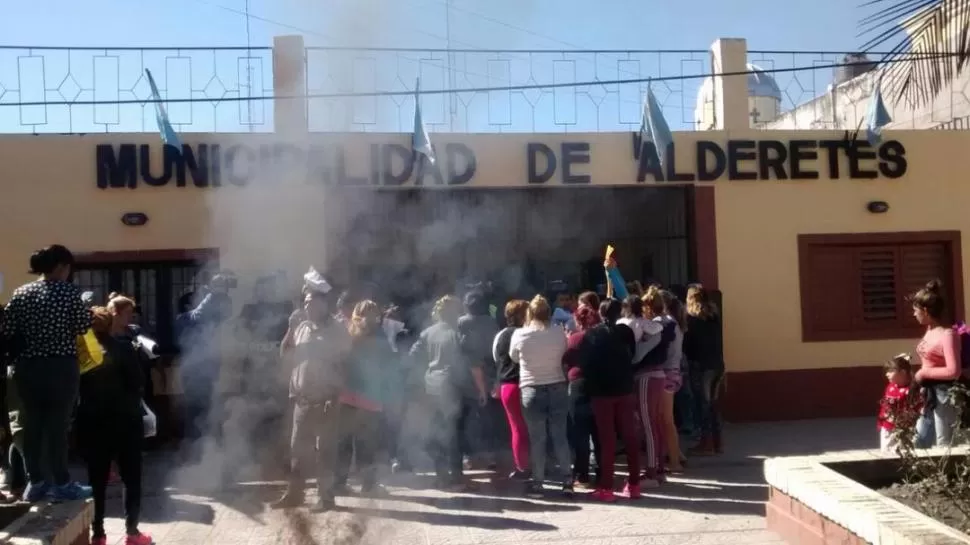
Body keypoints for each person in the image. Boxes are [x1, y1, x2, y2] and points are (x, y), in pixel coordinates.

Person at [1, 245, 92, 502]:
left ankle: (36, 481)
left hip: (26, 369)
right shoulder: (68, 292)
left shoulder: (21, 293)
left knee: (32, 426)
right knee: (57, 427)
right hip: (59, 367)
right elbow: (83, 326)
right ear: (61, 267)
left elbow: (8, 330)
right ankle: (62, 483)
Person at [272, 282, 351, 511]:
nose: (307, 307)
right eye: (305, 303)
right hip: (302, 400)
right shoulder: (302, 327)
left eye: (312, 303)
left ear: (324, 304)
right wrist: (290, 328)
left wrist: (334, 395)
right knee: (298, 451)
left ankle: (325, 498)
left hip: (326, 400)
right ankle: (294, 494)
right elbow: (285, 353)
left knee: (325, 453)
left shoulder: (337, 330)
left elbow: (345, 364)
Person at [78, 300, 152, 545]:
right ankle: (132, 533)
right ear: (110, 325)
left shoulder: (80, 354)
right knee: (131, 479)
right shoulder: (124, 349)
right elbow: (138, 382)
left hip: (92, 423)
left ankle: (98, 535)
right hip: (125, 423)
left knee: (96, 481)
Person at [410, 295, 488, 490]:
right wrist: (481, 390)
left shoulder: (427, 333)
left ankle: (441, 474)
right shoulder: (460, 333)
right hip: (454, 388)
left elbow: (413, 357)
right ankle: (455, 474)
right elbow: (474, 365)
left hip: (432, 387)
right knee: (454, 432)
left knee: (437, 431)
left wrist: (424, 374)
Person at [578, 299, 642, 501]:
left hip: (602, 392)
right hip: (624, 387)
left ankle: (606, 487)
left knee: (607, 439)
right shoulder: (626, 332)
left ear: (600, 313)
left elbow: (585, 364)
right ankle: (634, 484)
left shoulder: (592, 335)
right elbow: (632, 354)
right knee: (629, 435)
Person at [509, 295, 572, 497]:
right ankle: (568, 481)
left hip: (531, 387)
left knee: (537, 439)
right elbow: (563, 353)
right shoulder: (558, 332)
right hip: (557, 385)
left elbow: (513, 357)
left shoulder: (520, 334)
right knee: (560, 436)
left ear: (530, 313)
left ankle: (538, 484)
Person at [337, 300, 392, 496]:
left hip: (346, 397)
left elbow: (340, 362)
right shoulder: (378, 335)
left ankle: (338, 484)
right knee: (366, 445)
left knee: (344, 443)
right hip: (370, 398)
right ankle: (368, 486)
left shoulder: (347, 332)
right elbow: (387, 366)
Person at [911, 280, 964, 447]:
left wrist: (923, 373)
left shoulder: (948, 335)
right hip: (928, 394)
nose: (914, 314)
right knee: (920, 440)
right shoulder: (930, 331)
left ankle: (947, 473)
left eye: (915, 310)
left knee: (944, 442)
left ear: (925, 311)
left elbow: (953, 371)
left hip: (944, 395)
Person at [458, 289, 502, 469]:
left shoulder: (461, 322)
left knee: (468, 417)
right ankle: (490, 455)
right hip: (489, 372)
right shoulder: (491, 322)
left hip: (467, 374)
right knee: (489, 416)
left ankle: (469, 456)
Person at [637, 286, 677, 484]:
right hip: (659, 374)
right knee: (657, 422)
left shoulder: (654, 327)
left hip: (647, 375)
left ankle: (652, 470)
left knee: (649, 423)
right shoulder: (669, 324)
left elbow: (640, 354)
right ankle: (659, 467)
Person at [561, 304, 602, 487]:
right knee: (598, 431)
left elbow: (565, 360)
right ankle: (602, 473)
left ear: (578, 320)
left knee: (580, 433)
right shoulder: (601, 338)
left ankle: (582, 475)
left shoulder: (575, 339)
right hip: (599, 386)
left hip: (577, 386)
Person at [684, 285, 725, 456]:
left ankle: (706, 443)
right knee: (713, 405)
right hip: (717, 364)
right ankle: (718, 442)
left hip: (701, 366)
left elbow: (689, 345)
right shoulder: (714, 315)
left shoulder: (692, 319)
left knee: (703, 404)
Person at [493, 300, 530, 480]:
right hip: (527, 384)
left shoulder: (500, 335)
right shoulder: (528, 334)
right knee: (534, 428)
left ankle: (521, 467)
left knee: (517, 429)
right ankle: (538, 464)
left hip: (507, 386)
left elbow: (496, 359)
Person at [658, 290, 687, 473]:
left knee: (667, 420)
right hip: (674, 371)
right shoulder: (675, 322)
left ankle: (675, 462)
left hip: (667, 372)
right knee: (665, 419)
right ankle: (677, 455)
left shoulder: (666, 323)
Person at [879, 354, 921, 453]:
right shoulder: (891, 386)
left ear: (902, 372)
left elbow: (917, 407)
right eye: (886, 371)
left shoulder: (912, 389)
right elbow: (887, 405)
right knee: (887, 453)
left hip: (905, 429)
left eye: (890, 371)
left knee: (904, 452)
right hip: (888, 427)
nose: (887, 374)